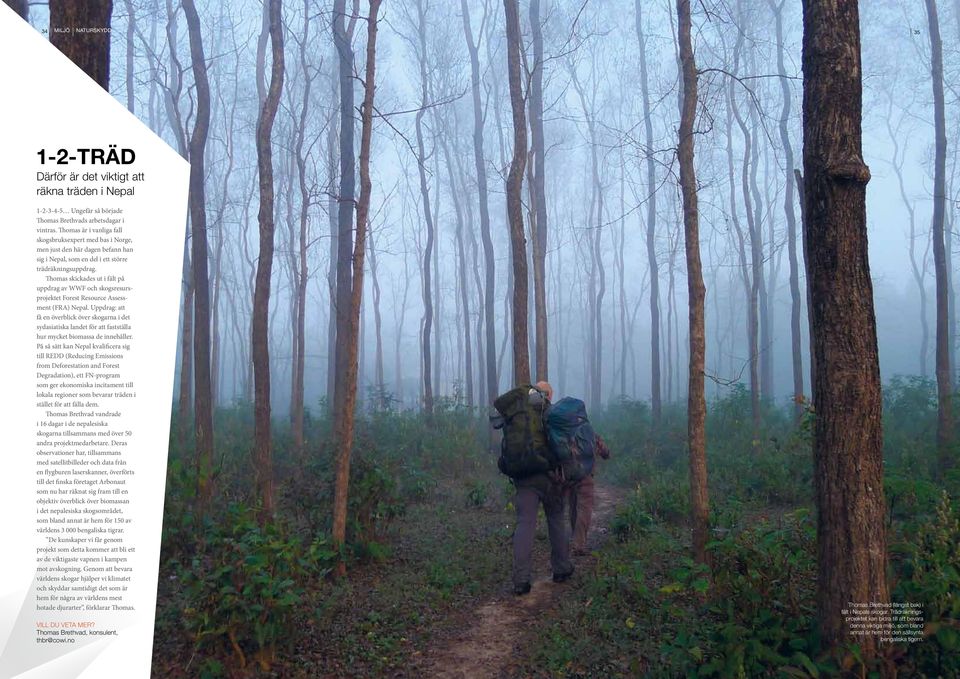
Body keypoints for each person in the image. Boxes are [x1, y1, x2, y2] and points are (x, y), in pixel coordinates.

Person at [510, 380, 573, 595]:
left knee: (524, 525)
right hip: (550, 478)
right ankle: (562, 569)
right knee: (556, 520)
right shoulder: (551, 413)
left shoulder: (518, 415)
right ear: (548, 395)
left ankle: (521, 580)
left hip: (524, 478)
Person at [567, 431, 610, 556]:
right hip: (586, 476)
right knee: (585, 509)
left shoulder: (565, 432)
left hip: (570, 476)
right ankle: (579, 544)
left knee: (573, 506)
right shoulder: (591, 434)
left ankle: (575, 537)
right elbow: (605, 452)